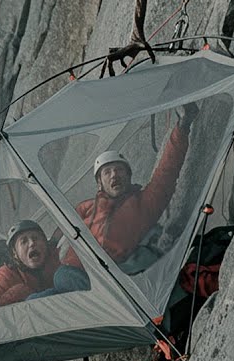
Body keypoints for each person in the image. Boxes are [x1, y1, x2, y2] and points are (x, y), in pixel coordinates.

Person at [44, 105, 196, 295]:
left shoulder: (143, 203)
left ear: (129, 176)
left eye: (119, 170)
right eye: (107, 172)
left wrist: (182, 126)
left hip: (103, 281)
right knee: (39, 297)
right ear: (99, 183)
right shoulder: (85, 207)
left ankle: (109, 298)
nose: (114, 175)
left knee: (63, 276)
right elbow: (59, 235)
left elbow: (166, 172)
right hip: (72, 280)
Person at [0, 219, 59, 308]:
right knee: (20, 291)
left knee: (62, 275)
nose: (32, 243)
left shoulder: (57, 257)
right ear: (15, 253)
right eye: (24, 241)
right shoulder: (8, 274)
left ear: (45, 244)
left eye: (35, 238)